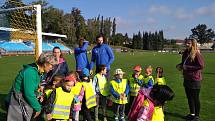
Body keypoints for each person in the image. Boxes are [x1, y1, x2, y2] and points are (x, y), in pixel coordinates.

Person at [6, 53, 58, 121]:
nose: (52, 68)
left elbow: (33, 89)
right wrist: (38, 108)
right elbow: (29, 93)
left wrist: (38, 94)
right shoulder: (31, 72)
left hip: (21, 99)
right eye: (52, 65)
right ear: (45, 63)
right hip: (17, 102)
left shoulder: (39, 72)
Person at [176, 38, 204, 121]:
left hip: (195, 79)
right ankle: (192, 114)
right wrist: (180, 65)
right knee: (189, 98)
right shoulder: (185, 52)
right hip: (187, 78)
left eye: (189, 43)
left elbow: (201, 66)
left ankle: (197, 116)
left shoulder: (196, 53)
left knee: (195, 98)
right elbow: (184, 63)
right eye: (186, 43)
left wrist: (186, 67)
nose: (187, 44)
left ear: (193, 44)